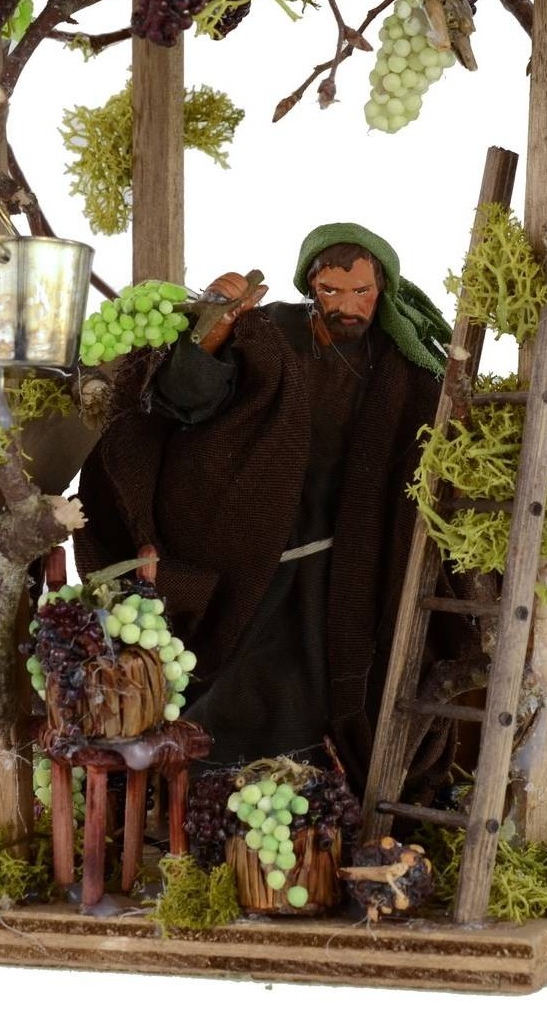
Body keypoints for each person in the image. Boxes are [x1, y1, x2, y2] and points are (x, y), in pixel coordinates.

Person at [73, 223, 453, 792]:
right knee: (245, 661)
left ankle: (319, 786)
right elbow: (187, 397)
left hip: (351, 545)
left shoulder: (402, 363)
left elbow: (432, 429)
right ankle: (216, 780)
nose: (346, 306)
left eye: (361, 292)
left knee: (330, 669)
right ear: (309, 287)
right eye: (331, 291)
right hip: (258, 535)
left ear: (382, 290)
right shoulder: (272, 333)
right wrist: (219, 326)